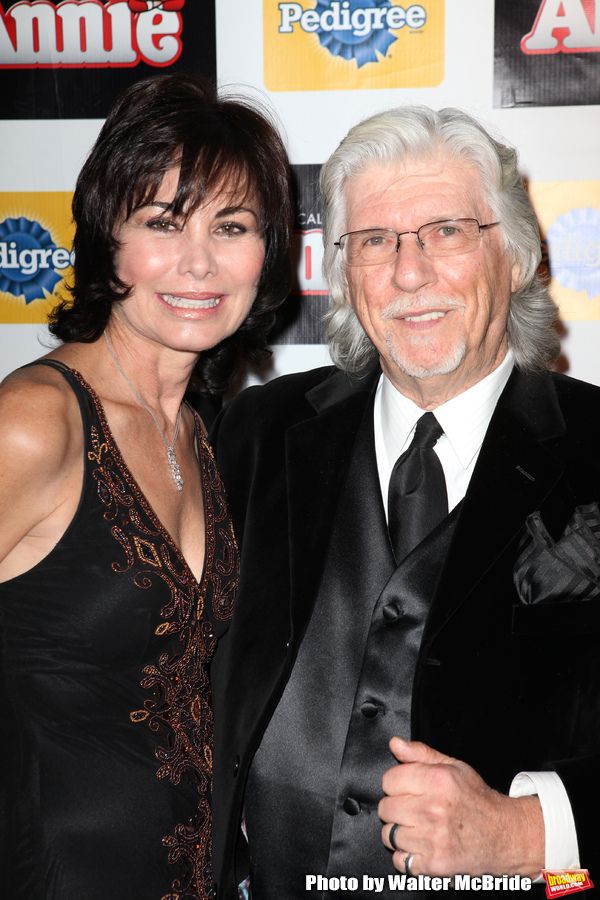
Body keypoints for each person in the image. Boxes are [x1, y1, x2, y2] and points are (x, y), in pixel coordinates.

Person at [210, 106, 600, 899]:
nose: (410, 272)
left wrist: (530, 833)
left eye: (447, 231)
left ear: (517, 255)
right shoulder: (252, 434)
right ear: (343, 274)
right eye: (376, 241)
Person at [0, 73, 291, 900]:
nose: (199, 261)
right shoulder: (35, 421)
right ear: (106, 239)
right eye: (162, 223)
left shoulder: (202, 434)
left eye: (231, 226)